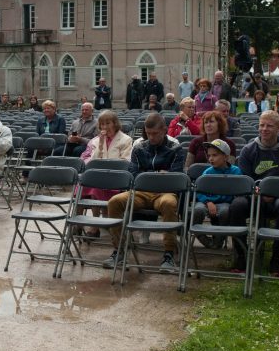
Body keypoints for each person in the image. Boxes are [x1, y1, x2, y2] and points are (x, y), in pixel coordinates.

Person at [102, 112, 184, 273]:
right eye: (148, 133)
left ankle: (168, 254)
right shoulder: (139, 147)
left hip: (165, 193)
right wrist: (157, 175)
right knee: (115, 201)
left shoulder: (175, 149)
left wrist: (148, 175)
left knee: (169, 204)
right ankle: (119, 250)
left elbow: (176, 176)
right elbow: (133, 174)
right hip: (141, 192)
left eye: (155, 134)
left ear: (164, 130)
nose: (151, 137)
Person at [227, 110, 279, 275]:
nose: (264, 129)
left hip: (278, 197)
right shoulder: (248, 150)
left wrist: (271, 193)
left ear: (278, 128)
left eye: (269, 126)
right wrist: (256, 192)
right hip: (253, 196)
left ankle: (276, 258)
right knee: (237, 205)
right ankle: (242, 255)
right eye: (262, 125)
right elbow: (245, 180)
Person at [78, 111, 134, 234]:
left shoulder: (126, 140)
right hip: (99, 175)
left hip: (116, 177)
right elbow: (94, 161)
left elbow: (126, 162)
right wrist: (101, 144)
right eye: (102, 124)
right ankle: (78, 224)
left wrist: (107, 167)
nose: (104, 127)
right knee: (81, 186)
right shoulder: (96, 140)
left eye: (107, 123)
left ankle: (95, 226)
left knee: (95, 188)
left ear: (115, 124)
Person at [192, 139, 241, 248]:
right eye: (209, 155)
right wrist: (208, 202)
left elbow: (237, 190)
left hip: (224, 202)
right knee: (197, 210)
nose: (211, 159)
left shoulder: (235, 172)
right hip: (206, 201)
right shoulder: (207, 172)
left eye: (215, 155)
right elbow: (198, 191)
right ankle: (204, 240)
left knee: (225, 212)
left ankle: (218, 241)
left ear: (226, 157)